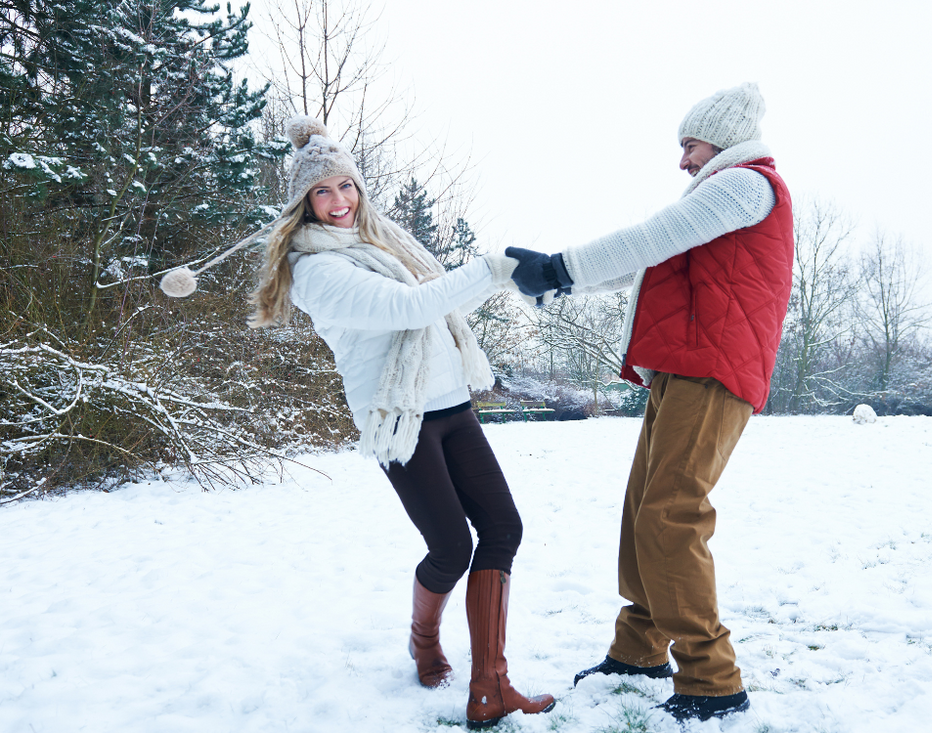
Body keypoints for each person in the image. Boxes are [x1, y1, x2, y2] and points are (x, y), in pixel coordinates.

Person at [247, 117, 555, 729]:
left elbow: (442, 298)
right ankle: (423, 639)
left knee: (503, 528)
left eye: (347, 186)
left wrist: (504, 285)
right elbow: (410, 307)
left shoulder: (387, 242)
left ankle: (490, 685)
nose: (340, 202)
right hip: (400, 422)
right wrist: (493, 267)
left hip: (453, 407)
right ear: (303, 205)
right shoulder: (314, 273)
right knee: (450, 548)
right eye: (323, 192)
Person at [505, 83, 794, 722]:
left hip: (714, 373)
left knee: (670, 514)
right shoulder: (723, 194)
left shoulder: (749, 185)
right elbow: (644, 263)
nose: (683, 161)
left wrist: (560, 267)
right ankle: (639, 648)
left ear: (722, 139)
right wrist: (561, 282)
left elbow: (649, 236)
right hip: (682, 371)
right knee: (645, 508)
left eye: (689, 145)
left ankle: (712, 677)